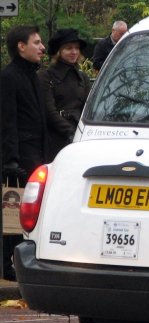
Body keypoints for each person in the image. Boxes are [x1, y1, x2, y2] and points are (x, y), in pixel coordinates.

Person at [1, 25, 47, 280]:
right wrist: (10, 160)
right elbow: (7, 120)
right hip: (20, 155)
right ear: (21, 46)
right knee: (13, 210)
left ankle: (24, 260)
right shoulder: (9, 77)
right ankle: (7, 264)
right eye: (36, 42)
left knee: (28, 210)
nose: (42, 47)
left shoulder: (32, 75)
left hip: (35, 153)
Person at [38, 28, 92, 161]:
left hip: (80, 134)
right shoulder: (46, 76)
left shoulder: (83, 77)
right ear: (58, 51)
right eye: (69, 48)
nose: (74, 52)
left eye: (76, 48)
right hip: (56, 137)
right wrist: (69, 131)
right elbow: (48, 110)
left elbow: (89, 107)